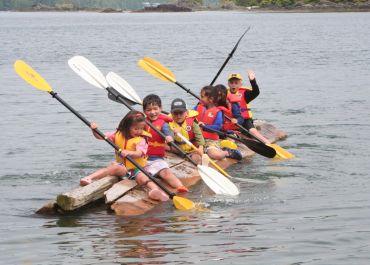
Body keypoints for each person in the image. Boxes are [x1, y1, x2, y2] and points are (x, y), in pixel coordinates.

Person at [80, 110, 169, 201]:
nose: (139, 131)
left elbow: (139, 153)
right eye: (136, 129)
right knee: (114, 168)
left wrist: (129, 152)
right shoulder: (117, 134)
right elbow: (100, 137)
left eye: (141, 128)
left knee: (142, 178)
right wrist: (94, 130)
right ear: (127, 127)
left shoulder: (141, 139)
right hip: (123, 167)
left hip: (137, 168)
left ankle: (155, 190)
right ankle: (89, 178)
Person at [142, 94, 189, 193]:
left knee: (166, 174)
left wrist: (169, 137)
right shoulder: (141, 122)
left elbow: (169, 133)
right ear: (144, 112)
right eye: (148, 110)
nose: (152, 112)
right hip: (141, 159)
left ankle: (181, 188)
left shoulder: (164, 124)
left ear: (161, 108)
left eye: (155, 109)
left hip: (156, 160)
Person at [194, 86, 242, 161]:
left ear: (211, 99)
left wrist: (204, 126)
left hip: (209, 141)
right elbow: (188, 114)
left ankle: (227, 152)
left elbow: (218, 127)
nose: (200, 98)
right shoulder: (197, 107)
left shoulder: (218, 112)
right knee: (195, 156)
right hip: (196, 140)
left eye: (202, 97)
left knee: (216, 155)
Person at [227, 71, 271, 144]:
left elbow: (256, 92)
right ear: (228, 84)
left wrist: (252, 81)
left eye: (236, 83)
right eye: (231, 83)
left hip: (245, 120)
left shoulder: (245, 93)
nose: (233, 85)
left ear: (240, 84)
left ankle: (267, 143)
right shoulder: (224, 94)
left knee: (253, 131)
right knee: (231, 133)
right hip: (231, 120)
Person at [168, 98, 205, 164]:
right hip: (178, 149)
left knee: (196, 159)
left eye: (181, 113)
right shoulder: (169, 124)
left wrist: (201, 147)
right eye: (175, 113)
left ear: (186, 113)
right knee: (164, 146)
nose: (178, 116)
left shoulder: (192, 122)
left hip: (193, 150)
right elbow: (168, 139)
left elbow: (199, 136)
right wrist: (173, 133)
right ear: (171, 113)